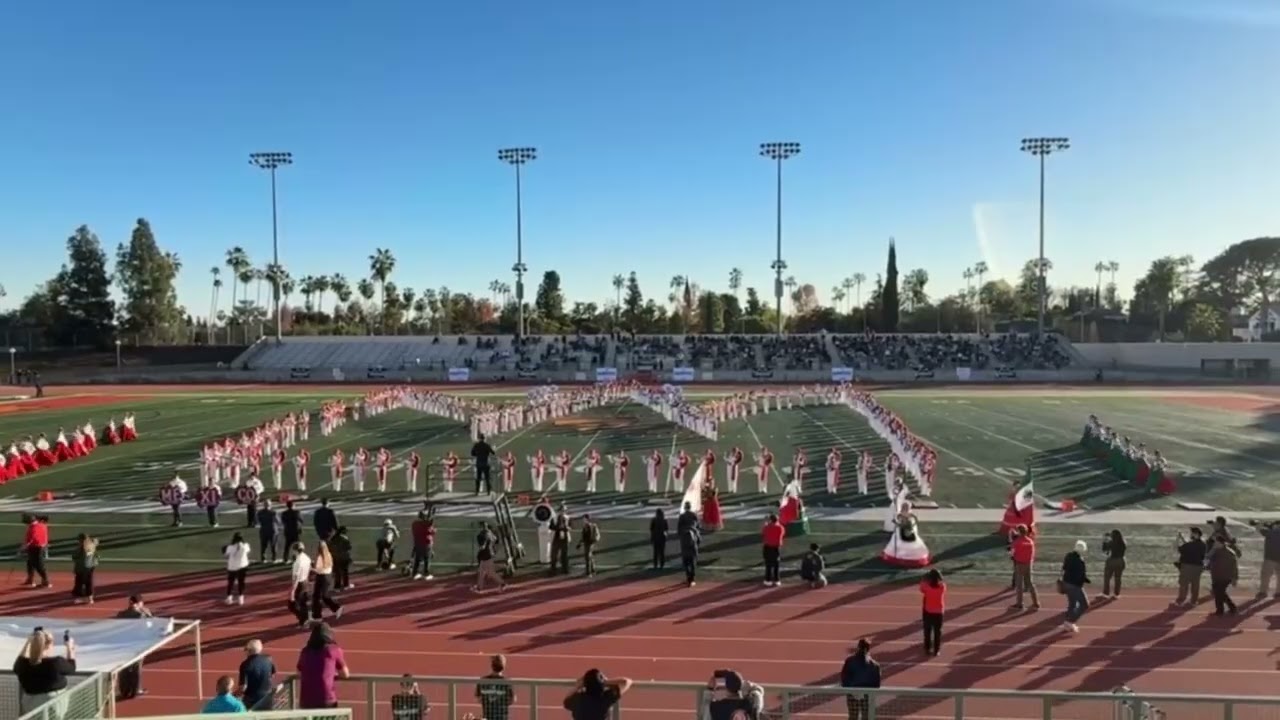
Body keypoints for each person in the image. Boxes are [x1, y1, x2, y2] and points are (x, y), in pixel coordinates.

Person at [12, 628, 76, 716]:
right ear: (49, 645)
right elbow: (72, 668)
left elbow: (18, 663)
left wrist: (28, 642)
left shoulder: (22, 664)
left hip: (30, 704)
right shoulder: (56, 663)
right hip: (53, 703)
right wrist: (70, 648)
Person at [296, 623, 349, 710]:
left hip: (306, 699)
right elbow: (345, 674)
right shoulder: (333, 650)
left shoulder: (305, 651)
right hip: (326, 698)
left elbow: (299, 672)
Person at [116, 596, 151, 699]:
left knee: (123, 668)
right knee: (136, 668)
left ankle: (124, 691)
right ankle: (135, 690)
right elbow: (151, 624)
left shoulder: (121, 614)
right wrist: (147, 613)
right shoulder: (141, 615)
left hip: (123, 644)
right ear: (140, 603)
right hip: (137, 644)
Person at [562, 668, 632, 720]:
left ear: (585, 684)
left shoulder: (578, 699)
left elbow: (566, 700)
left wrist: (577, 686)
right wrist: (605, 682)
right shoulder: (606, 697)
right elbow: (627, 682)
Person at [839, 639, 881, 720]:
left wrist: (850, 690)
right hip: (868, 696)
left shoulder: (850, 661)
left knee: (853, 717)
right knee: (866, 717)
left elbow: (844, 678)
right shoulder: (875, 665)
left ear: (858, 647)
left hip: (852, 694)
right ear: (868, 649)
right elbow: (877, 684)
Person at [1060, 540, 1090, 632]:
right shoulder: (1080, 561)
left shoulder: (1068, 556)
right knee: (1084, 605)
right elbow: (1081, 575)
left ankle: (1067, 623)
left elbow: (1064, 567)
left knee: (1072, 604)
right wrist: (1086, 580)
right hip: (1075, 585)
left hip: (1066, 583)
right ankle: (1070, 621)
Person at [1208, 532, 1241, 616]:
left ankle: (1220, 611)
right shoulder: (1215, 551)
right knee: (1219, 593)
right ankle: (1232, 608)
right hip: (1216, 576)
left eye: (1216, 542)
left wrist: (1235, 578)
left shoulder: (1229, 553)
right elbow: (1208, 559)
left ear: (1220, 543)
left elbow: (1234, 566)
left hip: (1225, 577)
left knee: (1219, 592)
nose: (1214, 543)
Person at [310, 541, 344, 622]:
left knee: (317, 596)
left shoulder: (320, 557)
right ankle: (335, 608)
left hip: (321, 577)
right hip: (328, 576)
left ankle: (317, 616)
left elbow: (318, 569)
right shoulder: (328, 555)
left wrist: (311, 568)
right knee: (323, 595)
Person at [1009, 524, 1040, 610]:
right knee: (1030, 583)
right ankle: (1036, 602)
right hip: (1028, 564)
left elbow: (1012, 553)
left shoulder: (1017, 542)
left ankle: (1020, 603)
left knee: (1019, 584)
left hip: (1020, 564)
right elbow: (1033, 553)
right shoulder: (1030, 541)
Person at [238, 640, 276, 710]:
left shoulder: (245, 664)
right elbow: (272, 675)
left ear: (249, 651)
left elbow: (243, 687)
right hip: (267, 697)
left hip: (251, 699)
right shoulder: (268, 660)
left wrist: (234, 695)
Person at [475, 654, 515, 720]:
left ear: (491, 666)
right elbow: (512, 700)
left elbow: (478, 699)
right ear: (504, 667)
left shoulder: (483, 680)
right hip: (502, 716)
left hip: (487, 716)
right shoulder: (507, 682)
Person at [1174, 526, 1207, 606]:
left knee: (1184, 584)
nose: (1190, 534)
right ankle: (1193, 601)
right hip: (1198, 567)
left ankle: (1181, 600)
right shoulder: (1203, 545)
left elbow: (1178, 549)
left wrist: (1178, 539)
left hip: (1187, 566)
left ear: (1196, 534)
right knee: (1195, 585)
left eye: (1192, 533)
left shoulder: (1189, 545)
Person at [1248, 519, 1280, 599]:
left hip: (1270, 558)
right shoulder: (1272, 531)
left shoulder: (1271, 532)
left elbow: (1260, 528)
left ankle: (1263, 592)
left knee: (1265, 576)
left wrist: (1257, 523)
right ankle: (1278, 592)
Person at [474, 523, 507, 593]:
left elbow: (483, 546)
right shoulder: (490, 533)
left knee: (490, 572)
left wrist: (483, 546)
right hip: (488, 553)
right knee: (482, 571)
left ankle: (503, 583)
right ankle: (479, 587)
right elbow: (494, 539)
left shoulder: (484, 534)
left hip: (486, 554)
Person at [920, 568, 946, 657]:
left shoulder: (926, 587)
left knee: (927, 631)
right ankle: (936, 650)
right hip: (939, 613)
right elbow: (942, 581)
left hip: (928, 611)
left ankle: (927, 649)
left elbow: (921, 588)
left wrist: (925, 578)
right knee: (937, 632)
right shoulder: (942, 588)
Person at [222, 532, 251, 605]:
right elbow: (247, 550)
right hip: (242, 566)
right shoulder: (245, 546)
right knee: (241, 582)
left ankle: (229, 598)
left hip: (232, 567)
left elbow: (225, 555)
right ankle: (241, 599)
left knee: (230, 582)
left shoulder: (230, 547)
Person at [22, 513, 51, 588]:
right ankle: (30, 579)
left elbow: (33, 537)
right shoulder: (39, 525)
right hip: (35, 547)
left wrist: (25, 545)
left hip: (36, 547)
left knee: (38, 564)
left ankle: (46, 581)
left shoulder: (35, 526)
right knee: (30, 563)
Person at [288, 543, 313, 628]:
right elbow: (309, 568)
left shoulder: (297, 562)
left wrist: (293, 590)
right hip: (305, 581)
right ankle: (305, 620)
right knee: (303, 603)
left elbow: (296, 577)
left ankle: (303, 620)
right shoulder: (306, 558)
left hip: (300, 584)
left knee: (292, 605)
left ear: (295, 550)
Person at [677, 502, 701, 587]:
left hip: (684, 540)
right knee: (692, 561)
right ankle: (692, 579)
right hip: (693, 539)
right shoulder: (694, 515)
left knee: (686, 561)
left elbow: (679, 529)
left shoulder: (682, 516)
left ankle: (688, 578)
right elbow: (698, 526)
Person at [71, 533, 99, 605]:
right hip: (91, 566)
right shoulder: (91, 545)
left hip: (82, 567)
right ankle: (90, 598)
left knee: (79, 583)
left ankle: (81, 597)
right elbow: (96, 543)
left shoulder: (81, 547)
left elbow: (74, 556)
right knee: (89, 582)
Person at [1101, 529, 1127, 599]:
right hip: (1121, 560)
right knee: (1118, 578)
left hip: (1112, 561)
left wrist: (1105, 541)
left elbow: (1104, 550)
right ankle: (1116, 593)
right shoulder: (1123, 543)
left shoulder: (1111, 543)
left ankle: (1106, 593)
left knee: (1107, 578)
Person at [761, 514, 786, 587]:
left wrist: (766, 524)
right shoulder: (781, 528)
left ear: (771, 520)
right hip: (776, 547)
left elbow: (763, 533)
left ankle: (768, 580)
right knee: (776, 564)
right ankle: (777, 580)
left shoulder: (766, 527)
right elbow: (782, 533)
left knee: (768, 564)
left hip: (767, 547)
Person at [410, 512, 436, 581]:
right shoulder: (426, 525)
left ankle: (415, 573)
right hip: (426, 544)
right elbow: (432, 531)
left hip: (417, 544)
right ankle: (426, 574)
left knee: (417, 559)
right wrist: (431, 526)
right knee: (427, 559)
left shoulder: (415, 524)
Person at [329, 526, 354, 591]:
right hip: (344, 557)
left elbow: (330, 548)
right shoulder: (345, 538)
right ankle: (346, 585)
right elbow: (349, 547)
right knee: (345, 571)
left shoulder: (333, 538)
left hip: (336, 557)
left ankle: (337, 586)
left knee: (337, 572)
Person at [549, 507, 572, 576]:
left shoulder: (568, 518)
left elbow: (571, 527)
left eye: (564, 511)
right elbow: (551, 526)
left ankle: (565, 569)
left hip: (565, 538)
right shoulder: (555, 518)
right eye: (561, 511)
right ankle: (553, 570)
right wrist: (558, 528)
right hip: (556, 538)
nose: (562, 512)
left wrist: (565, 527)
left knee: (565, 555)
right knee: (554, 555)